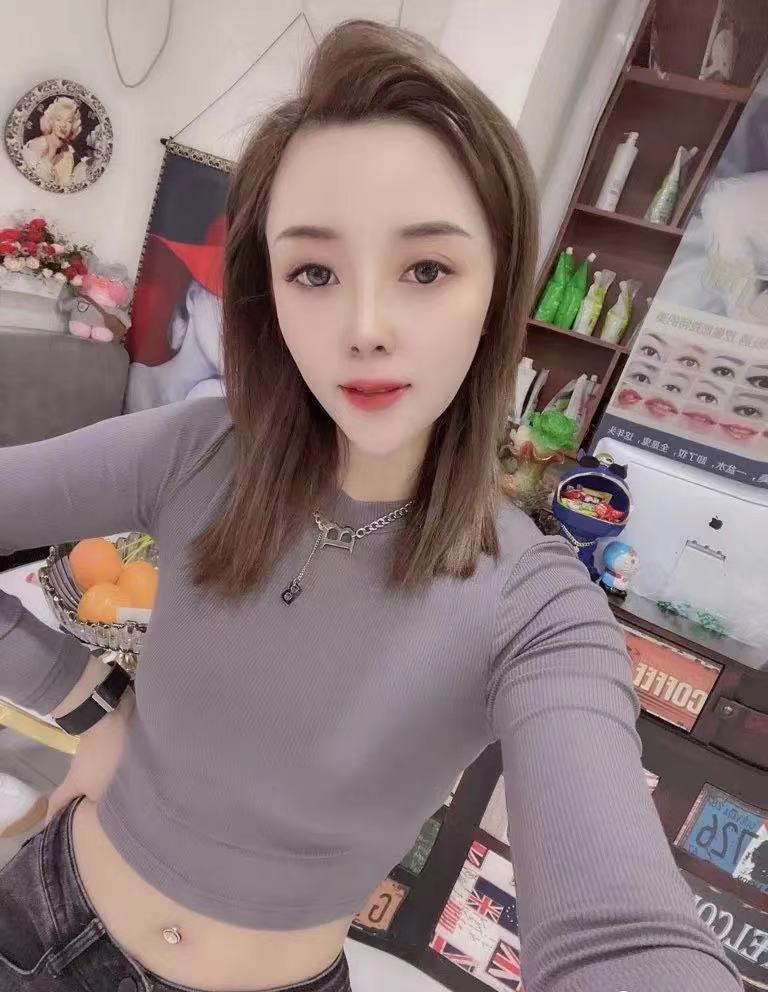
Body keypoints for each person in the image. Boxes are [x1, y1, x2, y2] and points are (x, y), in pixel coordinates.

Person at [0, 19, 743, 992]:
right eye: (314, 271)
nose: (364, 328)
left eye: (426, 269)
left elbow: (624, 934)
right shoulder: (196, 451)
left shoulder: (538, 608)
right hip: (39, 925)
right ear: (269, 292)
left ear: (497, 288)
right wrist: (81, 695)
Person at [21, 96, 89, 188]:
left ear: (73, 125)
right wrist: (50, 157)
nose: (63, 125)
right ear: (51, 121)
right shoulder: (37, 145)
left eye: (69, 121)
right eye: (58, 119)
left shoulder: (70, 153)